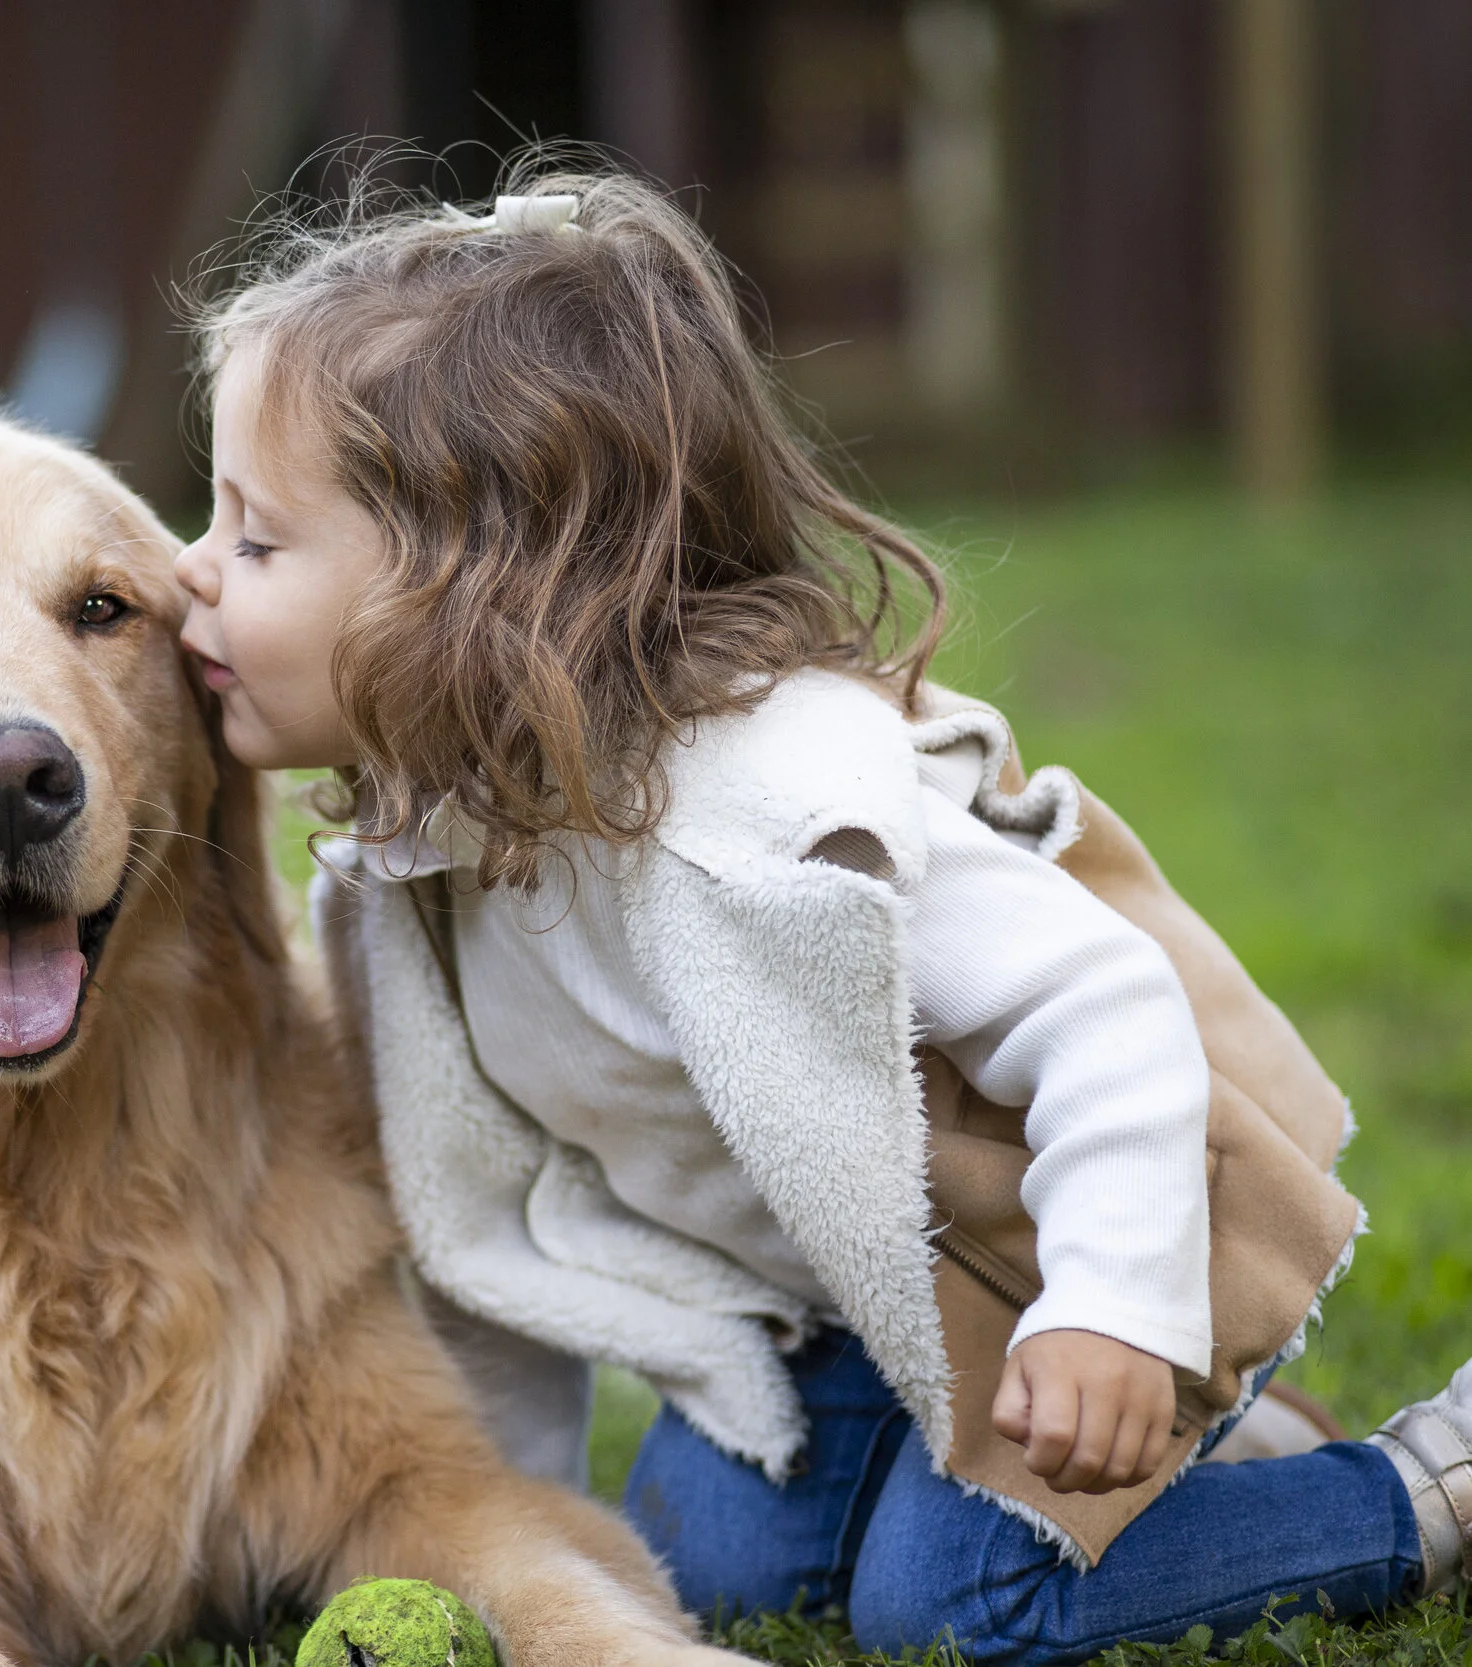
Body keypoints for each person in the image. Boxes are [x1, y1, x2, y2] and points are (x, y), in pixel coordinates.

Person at [169, 160, 1472, 1666]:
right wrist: (491, 1535)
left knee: (956, 1607)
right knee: (704, 1562)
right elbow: (475, 1242)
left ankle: (1409, 1482)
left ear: (475, 590)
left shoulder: (771, 804)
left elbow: (1110, 1011)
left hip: (1060, 1225)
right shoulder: (408, 875)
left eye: (256, 540)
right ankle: (1185, 1458)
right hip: (839, 1299)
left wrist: (1119, 1310)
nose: (193, 573)